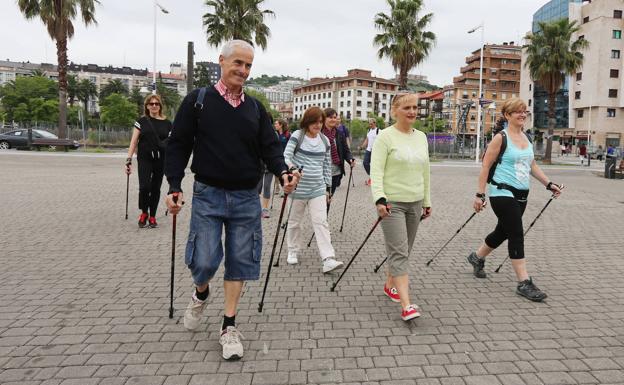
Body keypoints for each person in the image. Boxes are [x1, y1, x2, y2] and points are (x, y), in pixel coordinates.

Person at [164, 40, 299, 361]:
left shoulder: (255, 109)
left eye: (249, 65)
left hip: (245, 197)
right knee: (205, 260)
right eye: (238, 63)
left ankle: (229, 325)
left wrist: (283, 172)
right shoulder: (197, 101)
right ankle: (201, 293)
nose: (243, 70)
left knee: (240, 261)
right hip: (208, 193)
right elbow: (178, 145)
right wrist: (173, 185)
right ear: (222, 61)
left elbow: (270, 148)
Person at [467, 97, 562, 302]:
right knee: (516, 233)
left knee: (503, 231)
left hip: (521, 195)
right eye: (517, 111)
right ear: (507, 115)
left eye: (524, 111)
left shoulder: (526, 138)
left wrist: (549, 184)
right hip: (501, 193)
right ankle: (524, 282)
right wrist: (479, 194)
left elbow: (532, 165)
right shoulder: (501, 138)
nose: (522, 114)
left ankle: (477, 257)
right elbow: (485, 166)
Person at [370, 93, 432, 321]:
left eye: (415, 107)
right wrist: (379, 199)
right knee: (399, 253)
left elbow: (425, 171)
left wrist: (427, 201)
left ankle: (390, 285)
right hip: (392, 203)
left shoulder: (422, 137)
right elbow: (376, 171)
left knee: (404, 251)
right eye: (407, 107)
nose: (412, 111)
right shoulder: (385, 137)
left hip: (415, 202)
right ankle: (406, 305)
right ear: (395, 110)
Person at [283, 107, 344, 273]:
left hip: (317, 188)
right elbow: (286, 156)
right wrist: (293, 168)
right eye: (314, 121)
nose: (317, 125)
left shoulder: (325, 141)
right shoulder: (298, 136)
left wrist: (327, 189)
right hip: (298, 188)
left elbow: (326, 166)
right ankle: (293, 250)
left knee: (321, 222)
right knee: (295, 222)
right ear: (307, 121)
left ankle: (328, 259)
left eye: (320, 121)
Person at [125, 94, 172, 228]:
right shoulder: (142, 121)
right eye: (151, 104)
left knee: (156, 188)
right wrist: (128, 160)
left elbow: (172, 142)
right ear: (146, 106)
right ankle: (144, 212)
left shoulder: (168, 123)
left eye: (156, 103)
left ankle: (152, 216)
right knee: (144, 187)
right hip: (144, 158)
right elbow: (134, 142)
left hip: (160, 159)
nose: (154, 106)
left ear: (160, 106)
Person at [321, 108, 355, 194]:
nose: (333, 119)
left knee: (329, 198)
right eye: (330, 117)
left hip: (336, 172)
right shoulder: (319, 133)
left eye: (335, 117)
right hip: (321, 172)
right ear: (324, 118)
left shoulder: (339, 134)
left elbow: (346, 150)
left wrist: (350, 159)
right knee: (321, 199)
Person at [360, 118, 380, 186]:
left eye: (371, 124)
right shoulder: (368, 130)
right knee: (365, 163)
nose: (370, 125)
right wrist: (362, 147)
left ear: (375, 123)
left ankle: (372, 179)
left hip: (376, 151)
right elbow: (367, 140)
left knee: (374, 166)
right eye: (369, 124)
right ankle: (372, 176)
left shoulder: (379, 131)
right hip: (368, 150)